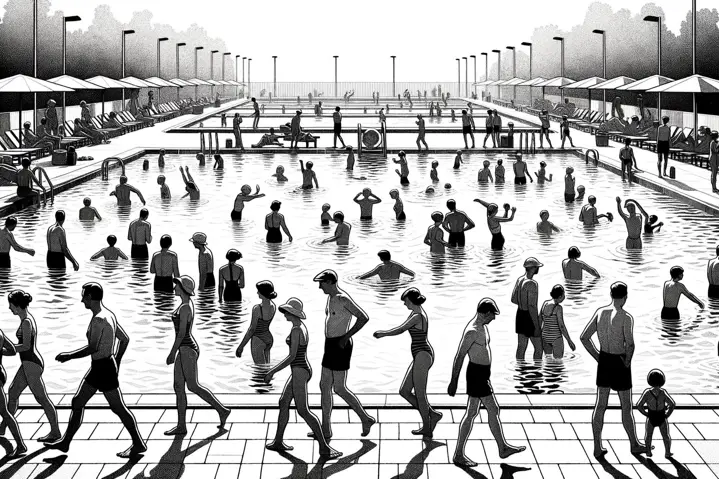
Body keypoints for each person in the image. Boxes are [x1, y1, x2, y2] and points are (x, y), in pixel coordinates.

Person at [46, 283, 147, 458]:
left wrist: (69, 355)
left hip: (103, 369)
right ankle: (65, 442)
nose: (82, 299)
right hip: (103, 366)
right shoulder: (109, 315)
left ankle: (138, 443)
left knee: (118, 408)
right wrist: (117, 359)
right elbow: (124, 339)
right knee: (77, 402)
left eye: (84, 296)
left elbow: (92, 348)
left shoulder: (99, 319)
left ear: (91, 297)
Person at [448, 298, 525, 466]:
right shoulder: (472, 331)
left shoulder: (482, 327)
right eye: (492, 315)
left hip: (482, 375)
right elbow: (459, 356)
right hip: (476, 375)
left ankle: (498, 448)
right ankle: (495, 449)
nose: (494, 318)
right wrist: (453, 381)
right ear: (485, 313)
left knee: (473, 413)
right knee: (490, 409)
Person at [263, 297, 342, 459]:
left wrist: (272, 371)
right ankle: (278, 441)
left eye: (286, 312)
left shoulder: (296, 330)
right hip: (299, 369)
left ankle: (325, 447)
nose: (284, 314)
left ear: (293, 313)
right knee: (283, 402)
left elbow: (292, 356)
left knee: (303, 410)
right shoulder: (299, 327)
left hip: (299, 370)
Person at [580, 281, 647, 459]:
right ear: (625, 296)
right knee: (626, 406)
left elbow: (584, 337)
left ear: (611, 295)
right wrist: (627, 361)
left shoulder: (600, 312)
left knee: (600, 405)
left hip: (605, 360)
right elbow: (630, 344)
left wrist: (598, 357)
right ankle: (634, 444)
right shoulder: (626, 317)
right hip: (619, 361)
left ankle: (597, 447)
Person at [312, 270, 376, 440]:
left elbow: (363, 317)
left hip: (341, 344)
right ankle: (326, 428)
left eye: (322, 283)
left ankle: (365, 418)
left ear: (331, 282)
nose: (319, 287)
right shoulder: (330, 298)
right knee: (324, 385)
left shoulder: (342, 299)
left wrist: (346, 337)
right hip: (330, 344)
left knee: (339, 388)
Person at [164, 276, 230, 435]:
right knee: (178, 386)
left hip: (187, 348)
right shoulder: (184, 305)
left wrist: (172, 352)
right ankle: (181, 425)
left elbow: (181, 334)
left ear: (183, 288)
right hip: (184, 349)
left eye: (177, 285)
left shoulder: (186, 307)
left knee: (193, 385)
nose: (174, 288)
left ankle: (222, 410)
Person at [373, 288, 441, 438]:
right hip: (419, 355)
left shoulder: (417, 316)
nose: (404, 303)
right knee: (404, 391)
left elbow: (401, 329)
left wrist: (383, 333)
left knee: (420, 395)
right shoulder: (415, 313)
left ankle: (427, 427)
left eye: (405, 301)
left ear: (411, 300)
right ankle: (432, 414)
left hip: (423, 355)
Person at [0, 290, 60, 444]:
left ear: (18, 305)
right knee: (13, 392)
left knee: (42, 398)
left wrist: (5, 351)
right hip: (27, 363)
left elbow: (26, 346)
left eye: (11, 305)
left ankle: (55, 432)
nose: (9, 308)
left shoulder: (26, 321)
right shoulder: (25, 319)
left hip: (32, 364)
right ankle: (2, 428)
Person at [636, 369, 676, 458]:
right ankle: (667, 452)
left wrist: (646, 413)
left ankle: (648, 452)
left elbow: (639, 405)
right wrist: (667, 414)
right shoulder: (663, 392)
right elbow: (672, 404)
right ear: (662, 381)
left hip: (651, 416)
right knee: (665, 436)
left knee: (648, 435)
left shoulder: (647, 393)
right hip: (661, 416)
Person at [0, 323, 25, 458]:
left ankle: (20, 445)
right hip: (0, 373)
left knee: (4, 412)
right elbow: (12, 350)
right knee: (4, 411)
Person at [235, 281, 276, 363]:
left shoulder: (257, 309)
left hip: (258, 339)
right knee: (266, 368)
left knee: (259, 370)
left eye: (259, 291)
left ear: (263, 293)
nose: (257, 292)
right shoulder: (273, 306)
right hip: (268, 338)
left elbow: (252, 329)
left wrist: (241, 346)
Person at [539, 285, 575, 359]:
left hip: (545, 337)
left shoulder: (545, 303)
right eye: (564, 294)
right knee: (558, 362)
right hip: (556, 337)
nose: (564, 296)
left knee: (548, 360)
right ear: (560, 296)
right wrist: (569, 341)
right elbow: (561, 326)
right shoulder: (558, 308)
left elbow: (539, 320)